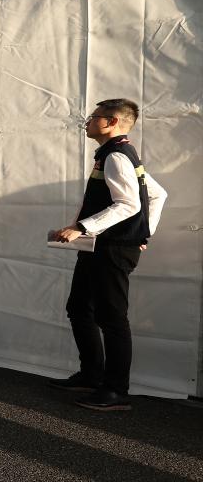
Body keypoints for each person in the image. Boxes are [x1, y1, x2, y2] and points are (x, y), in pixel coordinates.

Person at [48, 99, 167, 411]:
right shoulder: (117, 153)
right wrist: (143, 232)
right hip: (98, 246)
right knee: (79, 308)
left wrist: (82, 227)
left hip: (112, 249)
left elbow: (129, 204)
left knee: (111, 319)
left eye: (93, 117)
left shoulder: (116, 155)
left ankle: (115, 391)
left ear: (111, 122)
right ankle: (91, 375)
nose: (87, 122)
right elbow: (157, 194)